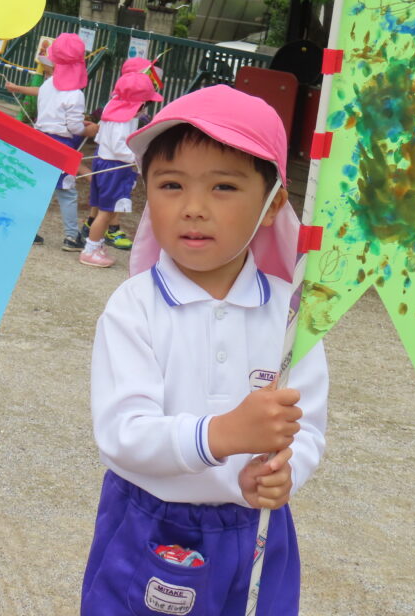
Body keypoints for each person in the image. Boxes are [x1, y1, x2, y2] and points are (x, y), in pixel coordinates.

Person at [80, 85, 328, 615]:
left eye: (223, 187)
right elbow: (122, 433)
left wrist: (285, 471)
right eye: (171, 185)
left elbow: (306, 427)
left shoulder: (291, 315)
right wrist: (221, 435)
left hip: (257, 529)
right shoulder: (135, 307)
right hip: (151, 523)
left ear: (271, 204)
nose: (193, 208)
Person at [6, 32, 97, 251]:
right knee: (67, 192)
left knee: (37, 188)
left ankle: (27, 231)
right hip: (61, 146)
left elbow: (51, 109)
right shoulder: (75, 94)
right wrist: (90, 130)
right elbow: (74, 128)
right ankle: (71, 237)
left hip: (39, 142)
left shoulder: (48, 85)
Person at [79, 70, 162, 268]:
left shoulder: (111, 110)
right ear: (138, 104)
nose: (145, 109)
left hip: (103, 161)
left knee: (104, 209)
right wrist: (139, 158)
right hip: (115, 168)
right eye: (145, 104)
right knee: (106, 212)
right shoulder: (123, 121)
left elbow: (100, 137)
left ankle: (96, 245)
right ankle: (90, 250)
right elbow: (120, 149)